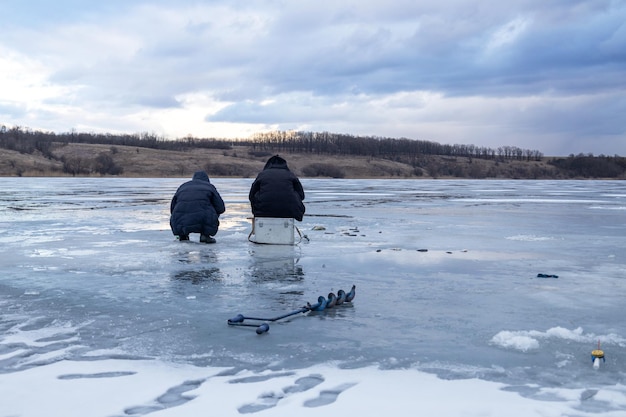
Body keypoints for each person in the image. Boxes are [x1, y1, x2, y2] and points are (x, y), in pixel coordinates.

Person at [170, 171, 225, 243]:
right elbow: (220, 208)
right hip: (202, 218)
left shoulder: (183, 186)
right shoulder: (209, 187)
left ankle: (182, 235)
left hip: (181, 219)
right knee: (210, 211)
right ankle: (205, 235)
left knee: (180, 212)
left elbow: (173, 207)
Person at [249, 155, 305, 221]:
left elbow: (251, 195)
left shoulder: (262, 175)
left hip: (262, 212)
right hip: (290, 212)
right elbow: (301, 195)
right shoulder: (290, 174)